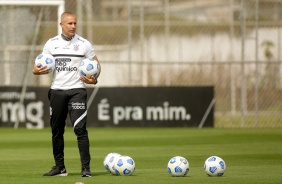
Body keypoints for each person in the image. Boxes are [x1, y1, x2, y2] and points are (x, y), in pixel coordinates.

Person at [32, 12, 100, 177]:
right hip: (57, 91)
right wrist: (35, 70)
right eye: (69, 23)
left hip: (77, 90)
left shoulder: (84, 44)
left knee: (80, 129)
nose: (73, 26)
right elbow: (40, 65)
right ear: (61, 25)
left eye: (75, 23)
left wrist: (94, 80)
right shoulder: (51, 44)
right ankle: (60, 167)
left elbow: (96, 64)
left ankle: (86, 169)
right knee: (57, 131)